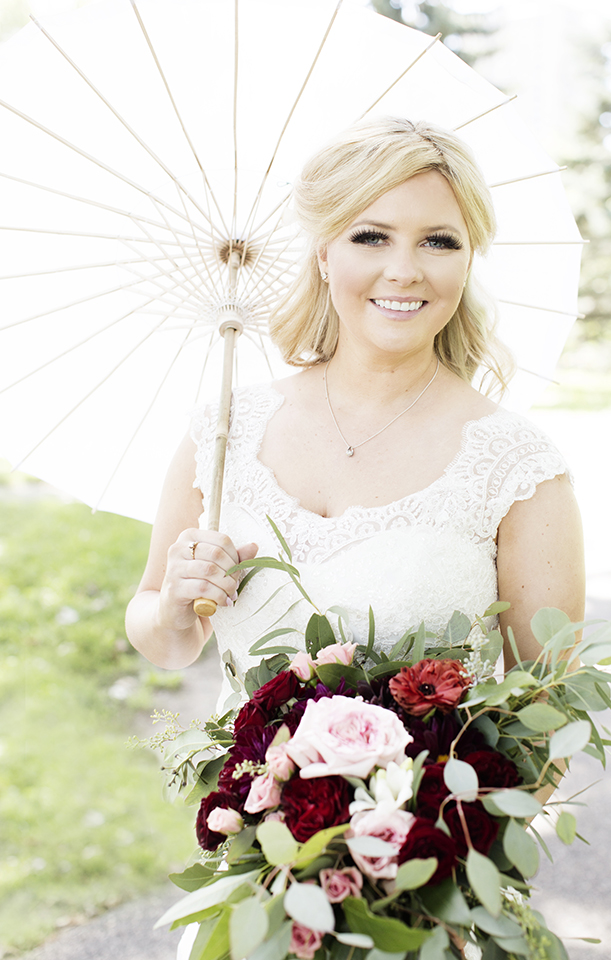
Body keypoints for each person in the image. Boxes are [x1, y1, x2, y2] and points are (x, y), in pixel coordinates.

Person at [126, 115, 584, 712]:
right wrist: (174, 609)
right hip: (243, 802)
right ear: (323, 254)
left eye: (438, 241)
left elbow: (549, 710)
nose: (403, 270)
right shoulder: (225, 430)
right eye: (371, 236)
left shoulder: (518, 469)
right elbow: (165, 643)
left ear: (468, 261)